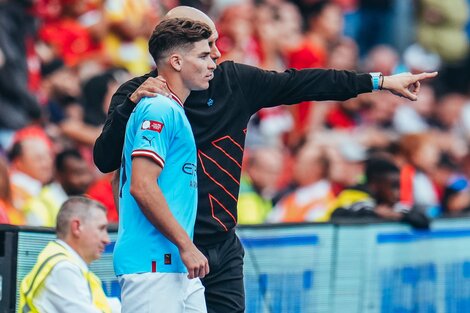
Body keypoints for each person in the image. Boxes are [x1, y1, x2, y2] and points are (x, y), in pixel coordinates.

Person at [93, 6, 437, 312]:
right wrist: (127, 108)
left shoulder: (233, 81)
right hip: (167, 247)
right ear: (176, 54)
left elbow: (302, 83)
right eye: (205, 46)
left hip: (221, 245)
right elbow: (106, 161)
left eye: (214, 42)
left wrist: (380, 81)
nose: (216, 53)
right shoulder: (147, 97)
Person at [114, 18, 215, 312]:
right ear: (176, 61)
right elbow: (141, 186)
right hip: (153, 265)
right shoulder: (158, 107)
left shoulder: (169, 108)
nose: (213, 64)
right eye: (203, 55)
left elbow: (118, 176)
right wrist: (186, 244)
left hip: (175, 266)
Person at [19, 196, 115, 313]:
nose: (107, 239)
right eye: (101, 229)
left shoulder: (67, 265)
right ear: (77, 227)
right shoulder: (63, 268)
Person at [331, 157, 430, 229]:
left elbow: (425, 221)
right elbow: (336, 214)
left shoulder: (400, 208)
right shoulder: (365, 205)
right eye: (393, 187)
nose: (398, 192)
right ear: (374, 186)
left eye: (399, 187)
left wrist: (399, 216)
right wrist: (375, 213)